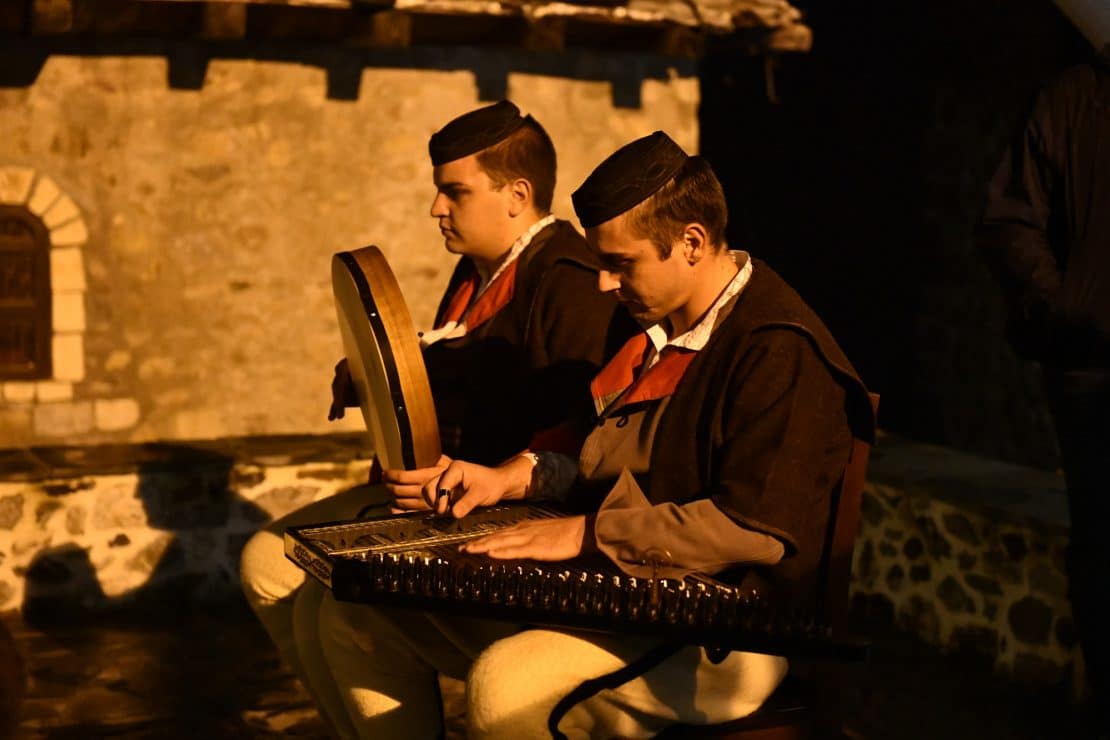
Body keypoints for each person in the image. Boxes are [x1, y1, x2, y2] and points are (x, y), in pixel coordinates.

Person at [311, 132, 875, 739]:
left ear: (691, 242)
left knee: (506, 686)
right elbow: (596, 452)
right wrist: (508, 478)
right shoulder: (651, 325)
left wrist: (584, 533)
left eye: (620, 264)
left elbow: (750, 530)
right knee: (358, 619)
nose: (603, 283)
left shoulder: (778, 350)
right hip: (621, 596)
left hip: (724, 631)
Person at [239, 101, 628, 736]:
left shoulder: (568, 278)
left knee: (322, 599)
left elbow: (576, 426)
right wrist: (376, 377)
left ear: (517, 195)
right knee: (273, 565)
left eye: (455, 192)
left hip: (504, 508)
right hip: (440, 490)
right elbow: (457, 374)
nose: (435, 208)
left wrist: (486, 478)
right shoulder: (477, 272)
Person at [978, 45, 1110, 737]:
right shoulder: (1071, 98)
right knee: (1103, 548)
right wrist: (1067, 310)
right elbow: (1010, 217)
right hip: (1095, 369)